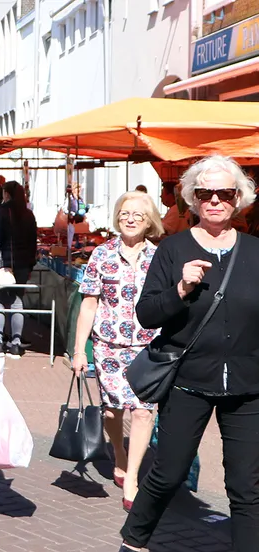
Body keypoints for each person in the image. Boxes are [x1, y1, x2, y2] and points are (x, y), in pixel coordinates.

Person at [119, 156, 259, 552]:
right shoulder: (172, 249)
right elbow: (146, 314)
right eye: (205, 193)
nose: (215, 200)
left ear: (239, 198)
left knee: (246, 487)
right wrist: (179, 290)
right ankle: (134, 541)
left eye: (225, 193)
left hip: (249, 385)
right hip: (188, 381)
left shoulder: (255, 252)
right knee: (169, 472)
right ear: (193, 200)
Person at [71, 190, 163, 514]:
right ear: (117, 216)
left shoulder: (160, 257)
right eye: (125, 212)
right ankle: (119, 454)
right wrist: (79, 350)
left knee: (142, 411)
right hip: (108, 346)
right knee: (112, 412)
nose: (131, 218)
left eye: (138, 214)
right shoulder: (101, 255)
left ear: (149, 219)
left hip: (148, 346)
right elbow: (89, 303)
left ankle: (133, 477)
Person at [0, 181, 38, 359]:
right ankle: (16, 343)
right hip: (21, 266)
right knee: (17, 301)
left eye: (4, 193)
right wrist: (29, 264)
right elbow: (32, 243)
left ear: (8, 194)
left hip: (2, 265)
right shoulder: (28, 215)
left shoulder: (2, 213)